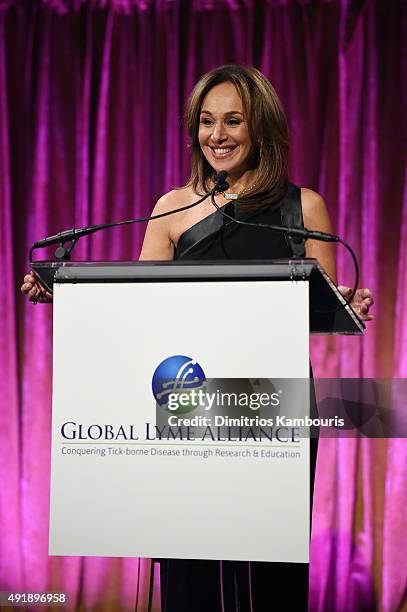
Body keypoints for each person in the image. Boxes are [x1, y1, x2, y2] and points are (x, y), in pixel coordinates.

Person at [21, 65, 373, 610]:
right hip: (188, 402)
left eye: (233, 120)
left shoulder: (304, 207)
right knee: (192, 563)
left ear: (262, 129)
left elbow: (319, 309)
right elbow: (138, 307)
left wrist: (343, 302)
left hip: (270, 403)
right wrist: (69, 295)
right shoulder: (170, 209)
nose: (218, 135)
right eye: (207, 121)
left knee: (267, 563)